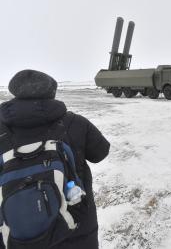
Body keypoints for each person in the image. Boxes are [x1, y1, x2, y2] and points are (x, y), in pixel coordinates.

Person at [0, 70, 110, 249]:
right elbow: (101, 152)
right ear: (52, 92)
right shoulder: (75, 122)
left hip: (15, 237)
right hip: (77, 232)